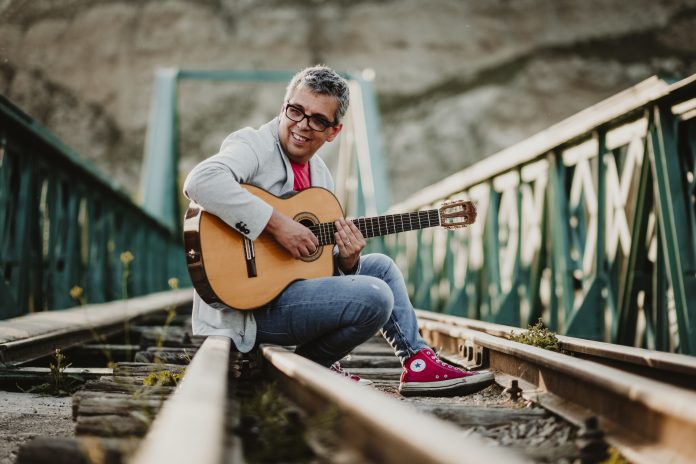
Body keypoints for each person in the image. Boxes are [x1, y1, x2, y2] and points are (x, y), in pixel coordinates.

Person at [183, 65, 493, 396]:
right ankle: (318, 366)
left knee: (380, 268)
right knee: (374, 297)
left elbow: (312, 264)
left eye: (318, 120)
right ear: (284, 107)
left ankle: (417, 364)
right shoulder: (254, 145)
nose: (302, 124)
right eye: (296, 110)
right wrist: (277, 224)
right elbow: (201, 181)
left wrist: (346, 261)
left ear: (333, 131)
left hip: (285, 294)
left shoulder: (320, 175)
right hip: (244, 308)